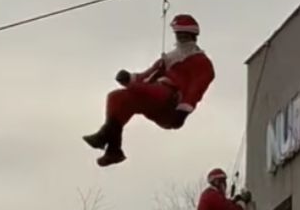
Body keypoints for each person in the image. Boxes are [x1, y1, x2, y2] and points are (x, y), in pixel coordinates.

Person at [82, 14, 215, 167]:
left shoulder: (201, 62)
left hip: (172, 103)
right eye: (179, 36)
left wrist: (183, 111)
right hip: (155, 98)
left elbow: (196, 88)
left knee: (156, 91)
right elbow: (146, 75)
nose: (181, 40)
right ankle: (113, 150)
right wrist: (130, 77)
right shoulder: (168, 59)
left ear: (193, 37)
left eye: (185, 36)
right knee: (117, 97)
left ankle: (104, 135)